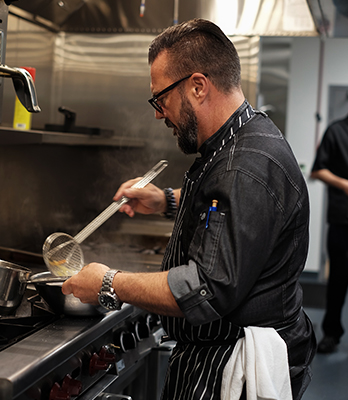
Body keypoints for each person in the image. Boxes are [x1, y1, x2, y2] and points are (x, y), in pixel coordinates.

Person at [62, 18, 316, 400]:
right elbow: (238, 210)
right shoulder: (246, 137)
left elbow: (205, 289)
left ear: (198, 86)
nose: (158, 112)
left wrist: (109, 282)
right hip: (218, 354)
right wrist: (166, 200)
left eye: (159, 98)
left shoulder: (243, 164)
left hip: (228, 366)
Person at [311, 114, 348, 353]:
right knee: (338, 280)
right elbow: (317, 170)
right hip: (342, 220)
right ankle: (331, 333)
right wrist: (344, 184)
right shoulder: (336, 131)